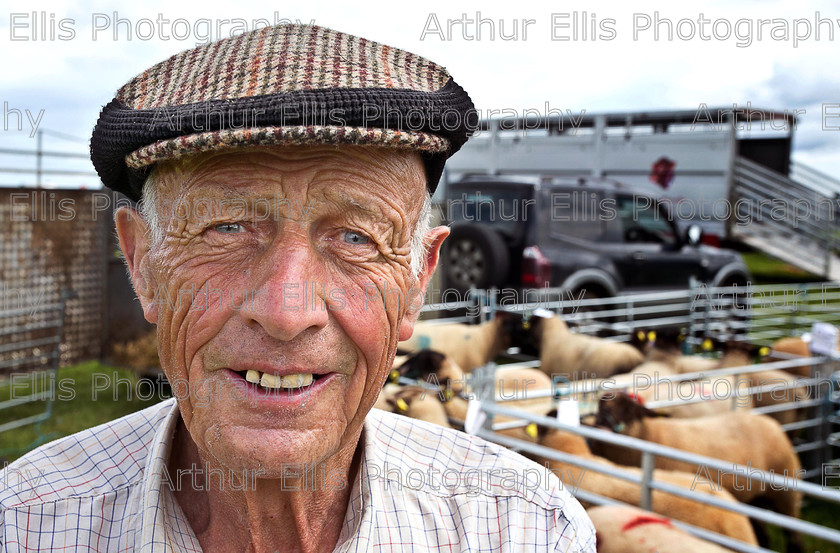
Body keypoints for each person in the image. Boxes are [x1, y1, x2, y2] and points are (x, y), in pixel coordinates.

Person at [0, 23, 595, 552]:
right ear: (141, 262)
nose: (288, 313)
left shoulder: (524, 529)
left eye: (357, 238)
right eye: (225, 229)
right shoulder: (26, 526)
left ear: (416, 278)